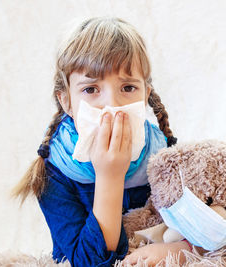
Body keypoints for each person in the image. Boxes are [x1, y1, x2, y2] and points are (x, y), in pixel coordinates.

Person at [11, 17, 193, 267]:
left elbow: (209, 230)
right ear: (66, 102)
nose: (112, 105)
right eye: (90, 89)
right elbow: (85, 262)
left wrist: (181, 249)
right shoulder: (54, 174)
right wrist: (110, 176)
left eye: (128, 88)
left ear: (145, 96)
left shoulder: (166, 158)